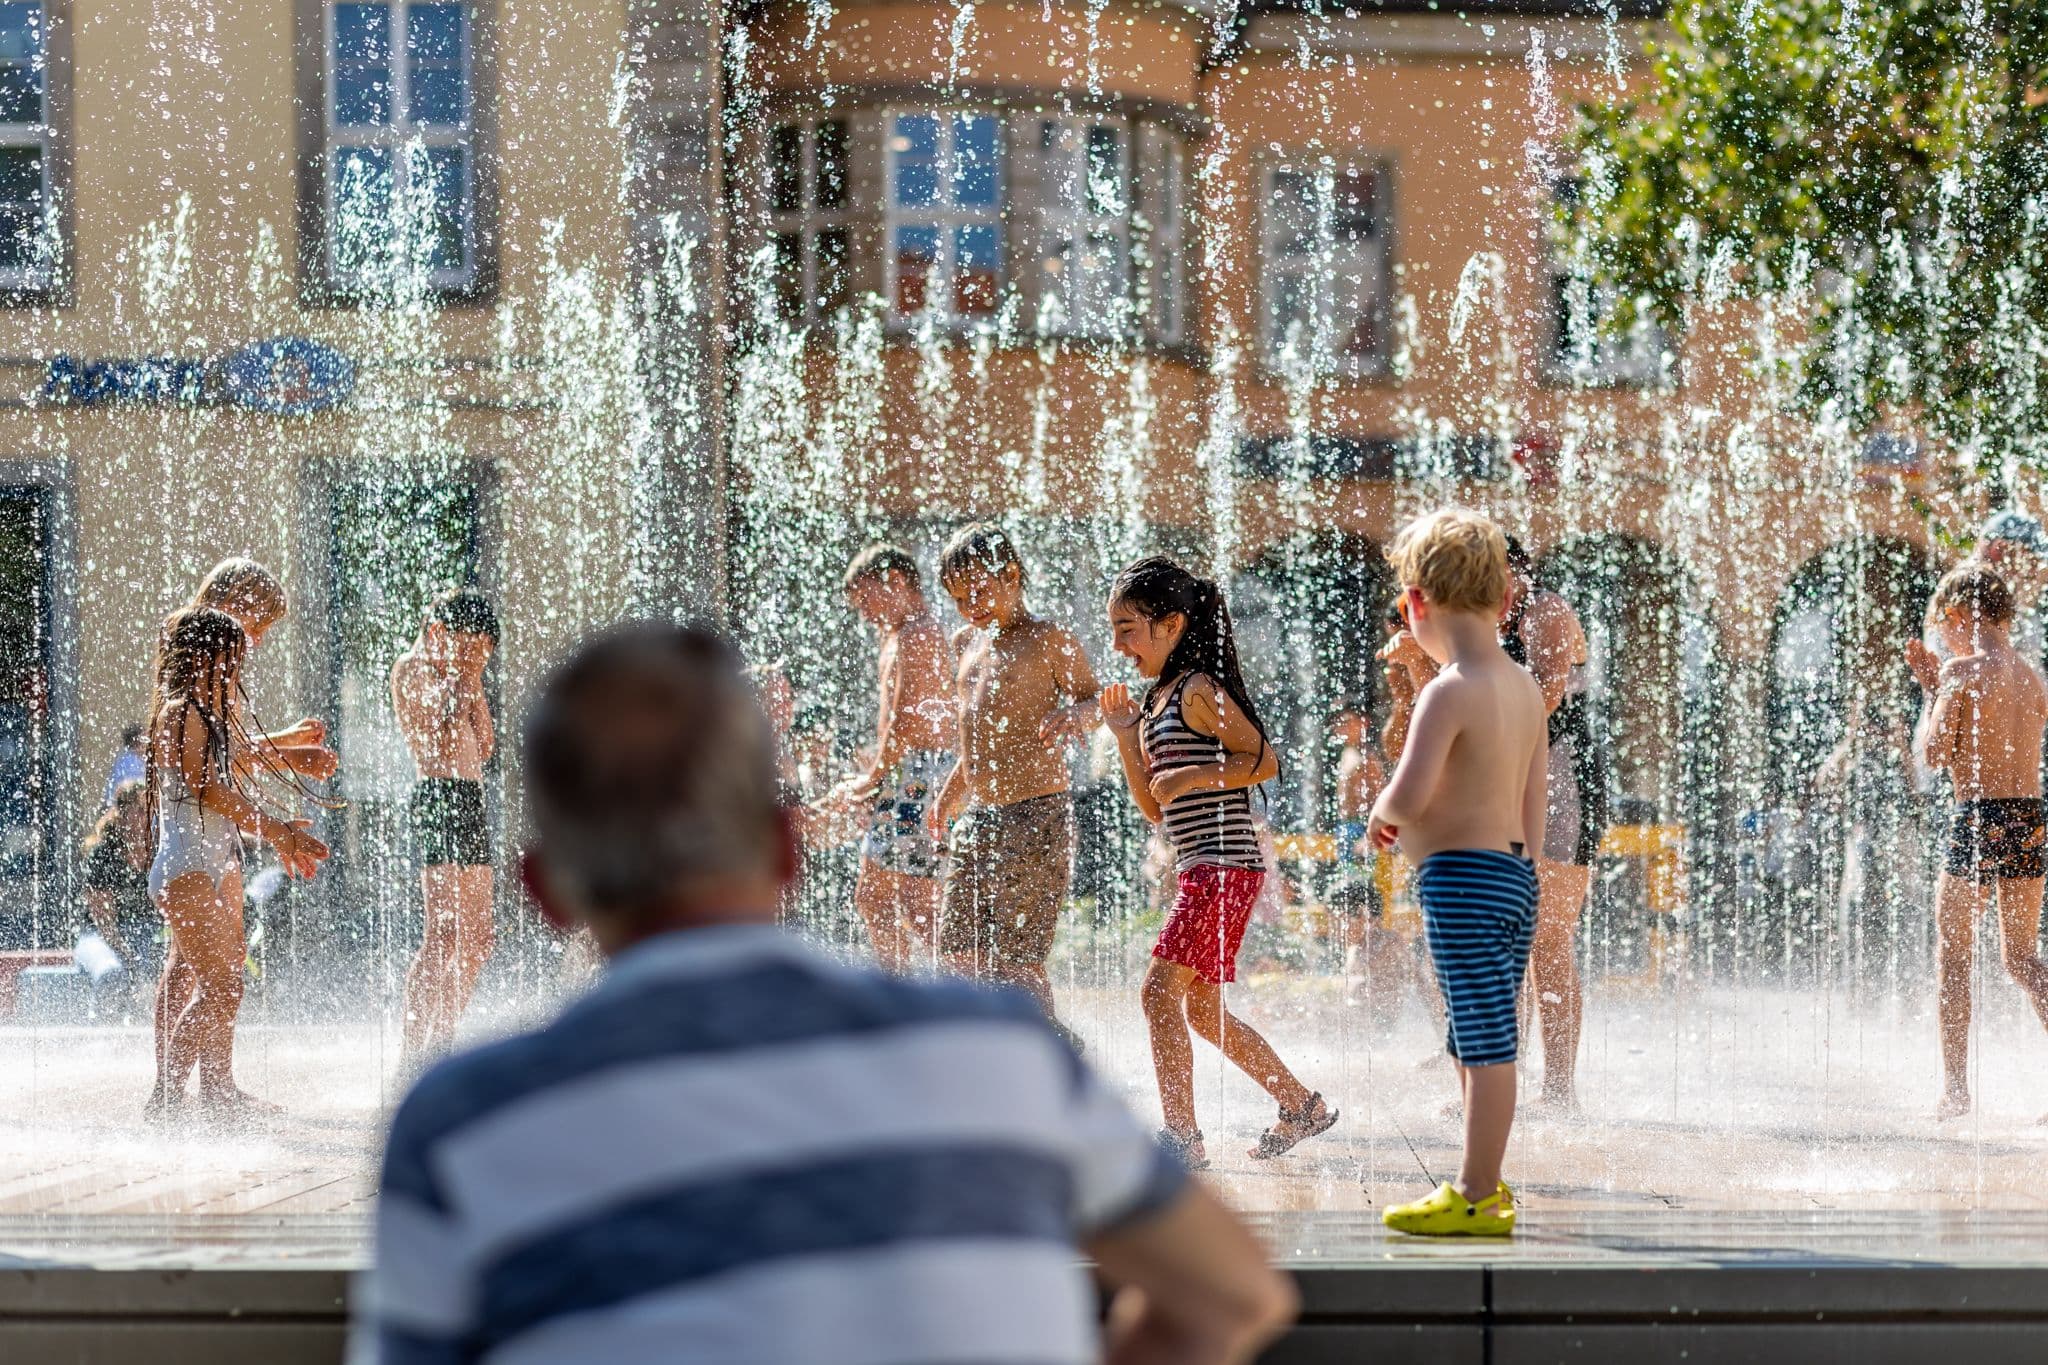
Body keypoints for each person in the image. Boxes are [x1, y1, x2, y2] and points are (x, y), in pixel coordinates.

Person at [352, 621, 1298, 1365]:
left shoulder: (459, 1124)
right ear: (787, 849)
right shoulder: (998, 1053)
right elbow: (1239, 1293)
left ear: (543, 888)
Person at [1099, 557, 1338, 1168]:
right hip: (1202, 865)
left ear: (1172, 623)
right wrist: (1127, 734)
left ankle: (1182, 1138)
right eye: (1114, 630)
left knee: (1157, 996)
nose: (1119, 643)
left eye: (1129, 627)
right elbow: (1154, 805)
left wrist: (1198, 772)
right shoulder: (1156, 703)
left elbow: (1264, 760)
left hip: (1224, 863)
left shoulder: (1199, 691)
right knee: (1201, 1011)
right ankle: (1299, 1105)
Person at [1368, 509, 1545, 1237]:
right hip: (1512, 876)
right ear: (1504, 601)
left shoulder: (1448, 690)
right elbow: (1533, 802)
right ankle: (1486, 1184)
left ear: (1415, 604)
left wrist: (1380, 811)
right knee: (1475, 1031)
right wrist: (1525, 874)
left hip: (1461, 883)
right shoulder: (1525, 688)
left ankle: (1476, 1190)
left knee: (1484, 1040)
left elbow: (1410, 790)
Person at [152, 559, 336, 1105]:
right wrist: (279, 826)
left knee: (221, 981)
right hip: (189, 854)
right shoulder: (191, 681)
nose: (256, 641)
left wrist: (287, 749)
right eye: (257, 625)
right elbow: (207, 775)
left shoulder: (210, 679)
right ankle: (170, 1091)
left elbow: (223, 757)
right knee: (198, 974)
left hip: (216, 844)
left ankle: (213, 1086)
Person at [928, 523, 1101, 1029]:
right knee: (957, 953)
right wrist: (945, 801)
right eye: (958, 597)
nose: (970, 605)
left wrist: (1077, 715)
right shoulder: (966, 644)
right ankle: (984, 1054)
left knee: (1017, 962)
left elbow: (1095, 697)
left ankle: (1051, 1057)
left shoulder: (1048, 639)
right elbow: (973, 742)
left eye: (979, 589)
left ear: (1013, 575)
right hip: (979, 816)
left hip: (1036, 813)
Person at [1903, 564, 2048, 1120]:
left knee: (1955, 956)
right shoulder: (2034, 678)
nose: (1945, 642)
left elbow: (1935, 754)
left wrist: (1932, 690)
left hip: (1979, 815)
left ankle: (1957, 1092)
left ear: (1961, 616)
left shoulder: (1962, 672)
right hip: (2031, 818)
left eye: (1945, 630)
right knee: (2023, 958)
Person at [1499, 535, 1604, 1111]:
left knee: (1548, 936)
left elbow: (1543, 697)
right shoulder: (1488, 622)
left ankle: (1560, 1088)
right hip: (1513, 780)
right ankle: (1499, 1081)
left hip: (1563, 783)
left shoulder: (1545, 611)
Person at [818, 544, 957, 971]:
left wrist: (874, 777)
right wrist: (875, 766)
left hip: (919, 774)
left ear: (895, 582)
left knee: (894, 898)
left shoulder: (916, 633)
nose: (865, 614)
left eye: (866, 601)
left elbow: (907, 717)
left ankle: (946, 992)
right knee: (899, 899)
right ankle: (948, 992)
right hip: (915, 773)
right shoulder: (903, 633)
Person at [392, 588, 499, 1063]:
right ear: (443, 633)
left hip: (470, 798)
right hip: (437, 795)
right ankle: (414, 1054)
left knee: (480, 936)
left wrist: (473, 683)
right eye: (470, 644)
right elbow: (435, 734)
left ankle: (443, 1042)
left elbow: (486, 745)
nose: (476, 656)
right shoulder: (411, 669)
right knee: (443, 933)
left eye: (482, 651)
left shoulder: (465, 675)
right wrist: (462, 682)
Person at [76, 779, 158, 1013]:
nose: (147, 817)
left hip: (146, 933)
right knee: (111, 974)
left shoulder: (158, 851)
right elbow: (105, 924)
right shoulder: (103, 855)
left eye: (151, 810)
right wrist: (132, 959)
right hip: (100, 937)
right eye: (141, 810)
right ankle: (103, 1036)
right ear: (122, 813)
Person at [103, 723, 146, 808]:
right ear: (136, 742)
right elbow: (130, 786)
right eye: (145, 738)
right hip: (117, 807)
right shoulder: (131, 761)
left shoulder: (124, 757)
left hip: (114, 805)